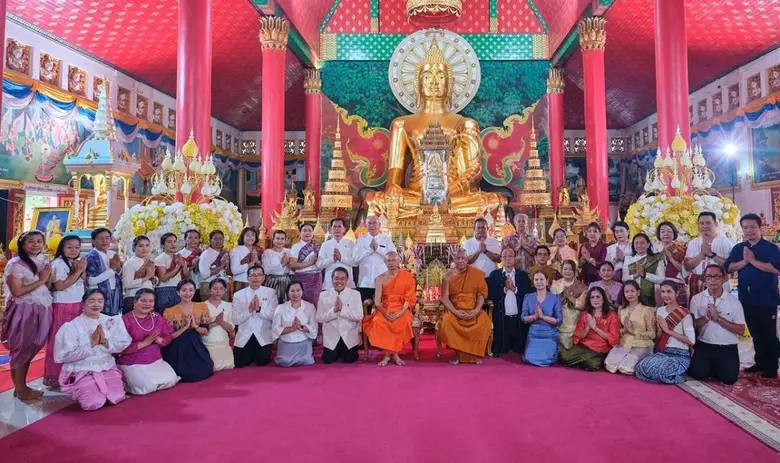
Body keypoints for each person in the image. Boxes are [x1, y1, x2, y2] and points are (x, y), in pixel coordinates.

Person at [54, 289, 132, 410]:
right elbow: (63, 355)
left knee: (117, 397)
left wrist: (105, 342)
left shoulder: (111, 321)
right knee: (94, 403)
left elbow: (123, 343)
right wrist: (92, 343)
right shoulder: (72, 326)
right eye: (91, 301)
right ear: (83, 304)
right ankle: (82, 390)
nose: (96, 304)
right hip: (83, 370)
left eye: (100, 301)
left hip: (106, 367)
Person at [725, 213, 780, 378]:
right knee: (755, 333)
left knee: (768, 334)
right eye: (745, 228)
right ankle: (760, 361)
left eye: (752, 227)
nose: (749, 230)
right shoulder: (739, 248)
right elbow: (728, 267)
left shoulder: (770, 248)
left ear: (759, 227)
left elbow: (776, 269)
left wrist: (753, 261)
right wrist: (744, 261)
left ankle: (771, 366)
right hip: (746, 298)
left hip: (767, 298)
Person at [1, 231, 52, 400]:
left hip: (41, 307)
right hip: (24, 310)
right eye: (31, 241)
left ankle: (21, 386)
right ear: (22, 245)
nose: (36, 244)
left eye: (39, 241)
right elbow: (17, 291)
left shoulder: (42, 261)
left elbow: (47, 285)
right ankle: (21, 388)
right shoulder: (15, 264)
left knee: (32, 347)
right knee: (22, 347)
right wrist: (41, 280)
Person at [689, 264, 745, 384]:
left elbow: (741, 330)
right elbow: (693, 325)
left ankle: (716, 366)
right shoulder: (696, 299)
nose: (712, 280)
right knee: (697, 373)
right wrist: (707, 317)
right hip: (704, 343)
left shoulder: (734, 302)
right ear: (704, 279)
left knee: (729, 379)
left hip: (727, 346)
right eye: (709, 276)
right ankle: (711, 366)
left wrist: (718, 318)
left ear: (723, 278)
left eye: (716, 276)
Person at [44, 235, 86, 387]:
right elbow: (60, 286)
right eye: (69, 247)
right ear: (62, 248)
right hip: (62, 305)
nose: (74, 250)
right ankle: (55, 376)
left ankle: (71, 375)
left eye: (77, 247)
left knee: (75, 340)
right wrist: (78, 271)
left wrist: (81, 271)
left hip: (77, 304)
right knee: (60, 340)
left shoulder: (74, 262)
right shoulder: (58, 264)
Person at [119, 289, 180, 395]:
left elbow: (168, 335)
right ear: (135, 302)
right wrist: (142, 344)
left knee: (171, 380)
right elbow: (118, 347)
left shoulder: (157, 317)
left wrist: (161, 340)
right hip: (133, 362)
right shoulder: (124, 320)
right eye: (143, 301)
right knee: (147, 387)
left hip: (155, 359)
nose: (147, 304)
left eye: (151, 301)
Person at [635, 281, 695, 384]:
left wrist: (668, 331)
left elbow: (691, 341)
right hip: (664, 353)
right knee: (640, 367)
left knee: (662, 371)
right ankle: (667, 375)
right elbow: (659, 337)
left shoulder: (685, 314)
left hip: (680, 355)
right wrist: (659, 329)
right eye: (663, 292)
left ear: (676, 293)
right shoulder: (660, 311)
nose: (665, 295)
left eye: (669, 291)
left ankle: (673, 375)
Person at [363, 252, 416, 366]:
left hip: (401, 308)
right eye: (388, 261)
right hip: (385, 308)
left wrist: (400, 313)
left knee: (402, 320)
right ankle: (388, 355)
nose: (391, 263)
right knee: (379, 321)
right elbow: (377, 301)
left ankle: (392, 354)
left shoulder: (408, 277)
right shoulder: (380, 278)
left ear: (398, 261)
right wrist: (385, 313)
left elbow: (409, 298)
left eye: (393, 260)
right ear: (385, 262)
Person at [439, 249, 492, 364]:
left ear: (467, 259)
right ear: (454, 259)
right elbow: (445, 298)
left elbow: (482, 294)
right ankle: (458, 354)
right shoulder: (448, 276)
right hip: (455, 309)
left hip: (473, 309)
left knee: (484, 320)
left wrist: (476, 310)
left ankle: (474, 354)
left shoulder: (476, 274)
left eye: (463, 258)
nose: (460, 261)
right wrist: (456, 312)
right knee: (447, 321)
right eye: (458, 258)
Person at [161, 280, 214, 382]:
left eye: (190, 290)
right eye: (184, 290)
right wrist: (185, 327)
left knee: (206, 368)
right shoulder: (169, 311)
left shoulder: (201, 306)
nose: (187, 293)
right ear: (178, 292)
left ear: (194, 291)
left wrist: (195, 327)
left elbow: (205, 331)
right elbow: (170, 336)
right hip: (177, 345)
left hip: (195, 343)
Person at [560, 286, 619, 371]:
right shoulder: (585, 314)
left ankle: (577, 360)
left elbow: (614, 339)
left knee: (594, 364)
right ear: (589, 300)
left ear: (603, 299)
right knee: (565, 358)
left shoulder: (611, 315)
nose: (595, 300)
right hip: (584, 347)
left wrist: (595, 328)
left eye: (598, 297)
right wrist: (588, 328)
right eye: (592, 297)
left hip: (600, 350)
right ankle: (582, 361)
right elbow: (578, 336)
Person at [486, 247, 531, 357]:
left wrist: (514, 289)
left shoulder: (523, 275)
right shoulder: (495, 275)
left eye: (510, 255)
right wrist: (504, 289)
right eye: (504, 256)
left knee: (519, 349)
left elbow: (528, 294)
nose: (507, 258)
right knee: (501, 349)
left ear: (515, 259)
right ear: (501, 259)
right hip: (501, 319)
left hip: (518, 319)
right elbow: (490, 294)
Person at [604, 281, 656, 375]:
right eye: (626, 291)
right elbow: (618, 330)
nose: (629, 294)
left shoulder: (646, 310)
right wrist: (623, 330)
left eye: (632, 291)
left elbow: (652, 334)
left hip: (642, 344)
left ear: (638, 292)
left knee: (625, 368)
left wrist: (632, 331)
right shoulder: (621, 309)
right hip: (625, 343)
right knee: (609, 365)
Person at [232, 265, 278, 367]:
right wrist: (249, 310)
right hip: (244, 334)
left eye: (259, 275)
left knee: (262, 361)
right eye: (252, 275)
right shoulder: (238, 295)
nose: (255, 278)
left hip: (263, 334)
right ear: (247, 278)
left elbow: (274, 316)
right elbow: (235, 320)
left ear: (264, 277)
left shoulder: (271, 292)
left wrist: (259, 309)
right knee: (240, 363)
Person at [316, 267, 364, 364]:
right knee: (328, 359)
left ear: (347, 280)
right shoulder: (323, 295)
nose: (339, 281)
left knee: (350, 360)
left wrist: (343, 309)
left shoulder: (355, 294)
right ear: (332, 279)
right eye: (336, 278)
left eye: (343, 279)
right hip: (331, 335)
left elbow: (359, 316)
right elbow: (319, 318)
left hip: (349, 334)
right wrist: (333, 311)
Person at [684, 212, 734, 299]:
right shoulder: (693, 243)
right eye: (701, 223)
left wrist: (712, 255)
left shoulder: (726, 243)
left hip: (721, 285)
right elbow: (687, 267)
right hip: (697, 285)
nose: (704, 226)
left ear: (716, 224)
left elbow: (731, 267)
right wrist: (702, 254)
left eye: (708, 223)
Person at [352, 215, 396, 306]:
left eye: (374, 223)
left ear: (379, 225)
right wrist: (369, 250)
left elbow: (394, 258)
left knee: (383, 309)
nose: (372, 226)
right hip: (365, 282)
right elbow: (354, 261)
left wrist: (378, 249)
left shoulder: (386, 240)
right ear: (366, 225)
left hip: (384, 282)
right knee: (365, 310)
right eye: (369, 223)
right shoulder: (360, 241)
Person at [522, 270, 563, 367]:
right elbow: (523, 318)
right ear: (533, 282)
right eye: (536, 280)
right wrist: (535, 317)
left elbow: (559, 320)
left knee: (547, 359)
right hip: (534, 333)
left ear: (547, 281)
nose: (539, 282)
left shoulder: (555, 298)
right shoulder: (528, 297)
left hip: (549, 334)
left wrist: (543, 317)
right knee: (529, 358)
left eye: (541, 279)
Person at [272, 282, 317, 367]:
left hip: (304, 341)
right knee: (285, 362)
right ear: (288, 293)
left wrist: (301, 327)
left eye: (298, 290)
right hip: (286, 341)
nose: (295, 293)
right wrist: (293, 328)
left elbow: (314, 328)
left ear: (302, 291)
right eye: (292, 291)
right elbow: (275, 329)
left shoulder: (310, 306)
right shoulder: (280, 308)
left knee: (306, 360)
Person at [550, 260, 587, 349]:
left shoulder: (582, 287)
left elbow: (582, 305)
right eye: (565, 269)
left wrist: (572, 299)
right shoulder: (555, 284)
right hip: (559, 320)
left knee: (571, 348)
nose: (567, 271)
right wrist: (562, 296)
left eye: (570, 269)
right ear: (561, 270)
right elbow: (552, 303)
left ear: (574, 271)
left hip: (574, 321)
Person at [85, 227, 122, 316]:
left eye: (107, 238)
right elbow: (91, 280)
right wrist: (112, 269)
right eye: (100, 238)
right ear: (93, 241)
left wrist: (118, 269)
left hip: (113, 291)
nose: (104, 241)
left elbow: (117, 273)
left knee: (113, 319)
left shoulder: (111, 254)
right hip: (98, 294)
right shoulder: (91, 257)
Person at [622, 233, 665, 307]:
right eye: (636, 243)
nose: (639, 245)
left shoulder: (656, 259)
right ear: (633, 245)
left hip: (652, 296)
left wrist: (645, 275)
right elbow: (624, 279)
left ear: (648, 244)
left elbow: (661, 279)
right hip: (633, 295)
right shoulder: (628, 259)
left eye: (642, 243)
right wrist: (635, 275)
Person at [202, 279, 235, 371]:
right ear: (209, 290)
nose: (218, 291)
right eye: (215, 289)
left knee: (229, 366)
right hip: (208, 342)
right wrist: (215, 322)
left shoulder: (229, 305)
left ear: (225, 290)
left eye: (221, 289)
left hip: (223, 342)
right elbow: (200, 328)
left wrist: (222, 322)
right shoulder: (202, 306)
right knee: (213, 367)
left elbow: (231, 328)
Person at [653, 221, 687, 306]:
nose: (666, 234)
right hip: (658, 287)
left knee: (678, 312)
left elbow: (684, 271)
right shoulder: (654, 250)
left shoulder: (681, 249)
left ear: (674, 234)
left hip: (676, 286)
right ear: (659, 234)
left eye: (669, 231)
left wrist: (670, 258)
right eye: (663, 231)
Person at [317, 218, 356, 290]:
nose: (337, 229)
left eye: (339, 226)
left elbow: (355, 262)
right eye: (334, 226)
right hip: (329, 284)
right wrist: (332, 259)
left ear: (344, 229)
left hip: (347, 284)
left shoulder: (351, 243)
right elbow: (319, 264)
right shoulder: (325, 244)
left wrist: (341, 258)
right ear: (331, 229)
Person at [289, 223, 322, 305]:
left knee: (315, 302)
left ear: (313, 233)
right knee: (302, 302)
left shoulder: (318, 246)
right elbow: (292, 264)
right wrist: (310, 263)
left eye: (310, 230)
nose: (307, 233)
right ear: (300, 233)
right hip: (301, 278)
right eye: (304, 230)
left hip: (316, 278)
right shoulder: (296, 247)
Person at [121, 235, 156, 314]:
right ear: (134, 248)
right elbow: (127, 284)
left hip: (148, 299)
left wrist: (153, 278)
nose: (144, 248)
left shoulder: (150, 262)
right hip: (133, 298)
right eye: (141, 246)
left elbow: (152, 279)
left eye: (147, 245)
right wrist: (147, 277)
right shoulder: (130, 263)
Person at [155, 233, 188, 313]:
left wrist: (183, 266)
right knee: (165, 315)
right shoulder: (160, 258)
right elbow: (163, 278)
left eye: (174, 241)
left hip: (179, 289)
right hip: (164, 290)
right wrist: (177, 266)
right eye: (169, 242)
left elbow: (186, 276)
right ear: (162, 245)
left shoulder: (179, 257)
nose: (173, 244)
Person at [262, 230, 292, 303]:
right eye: (277, 238)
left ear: (285, 241)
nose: (280, 241)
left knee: (285, 303)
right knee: (271, 303)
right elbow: (265, 270)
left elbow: (292, 268)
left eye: (282, 239)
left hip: (286, 281)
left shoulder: (289, 251)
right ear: (273, 240)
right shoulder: (267, 252)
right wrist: (282, 264)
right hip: (272, 281)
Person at [198, 230, 229, 301]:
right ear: (210, 240)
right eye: (215, 239)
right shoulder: (206, 254)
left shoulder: (224, 253)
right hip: (209, 285)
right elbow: (204, 274)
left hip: (223, 285)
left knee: (224, 307)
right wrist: (222, 265)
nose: (218, 241)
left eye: (220, 239)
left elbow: (228, 271)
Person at [230, 227, 260, 293]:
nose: (250, 237)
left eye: (253, 235)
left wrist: (257, 262)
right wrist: (251, 263)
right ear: (242, 237)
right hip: (241, 282)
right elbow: (234, 270)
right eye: (247, 235)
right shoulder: (236, 250)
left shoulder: (257, 250)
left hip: (255, 283)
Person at [178, 229, 202, 301]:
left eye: (196, 238)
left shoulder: (202, 253)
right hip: (186, 289)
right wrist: (193, 265)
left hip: (200, 287)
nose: (193, 240)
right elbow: (180, 274)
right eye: (190, 237)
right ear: (185, 239)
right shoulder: (179, 255)